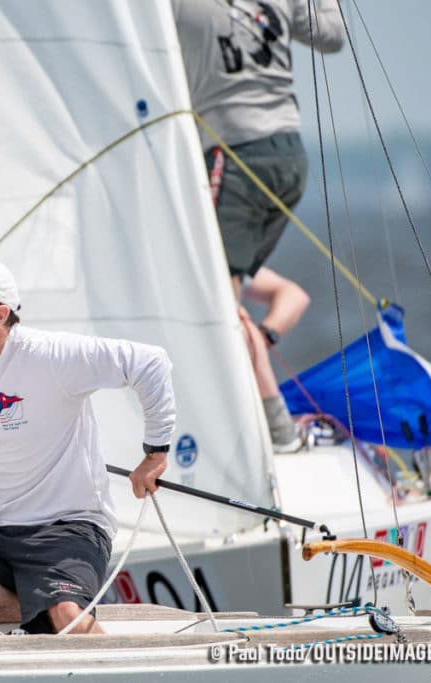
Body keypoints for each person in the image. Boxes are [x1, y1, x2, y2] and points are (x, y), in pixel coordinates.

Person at [0, 257, 175, 634]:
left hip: (69, 527)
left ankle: (53, 605)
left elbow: (150, 363)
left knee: (69, 620)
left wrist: (154, 453)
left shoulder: (51, 355)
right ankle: (34, 604)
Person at [172, 0, 344, 450]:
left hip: (235, 157)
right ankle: (263, 428)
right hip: (290, 158)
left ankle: (273, 434)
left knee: (219, 304)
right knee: (227, 299)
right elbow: (334, 34)